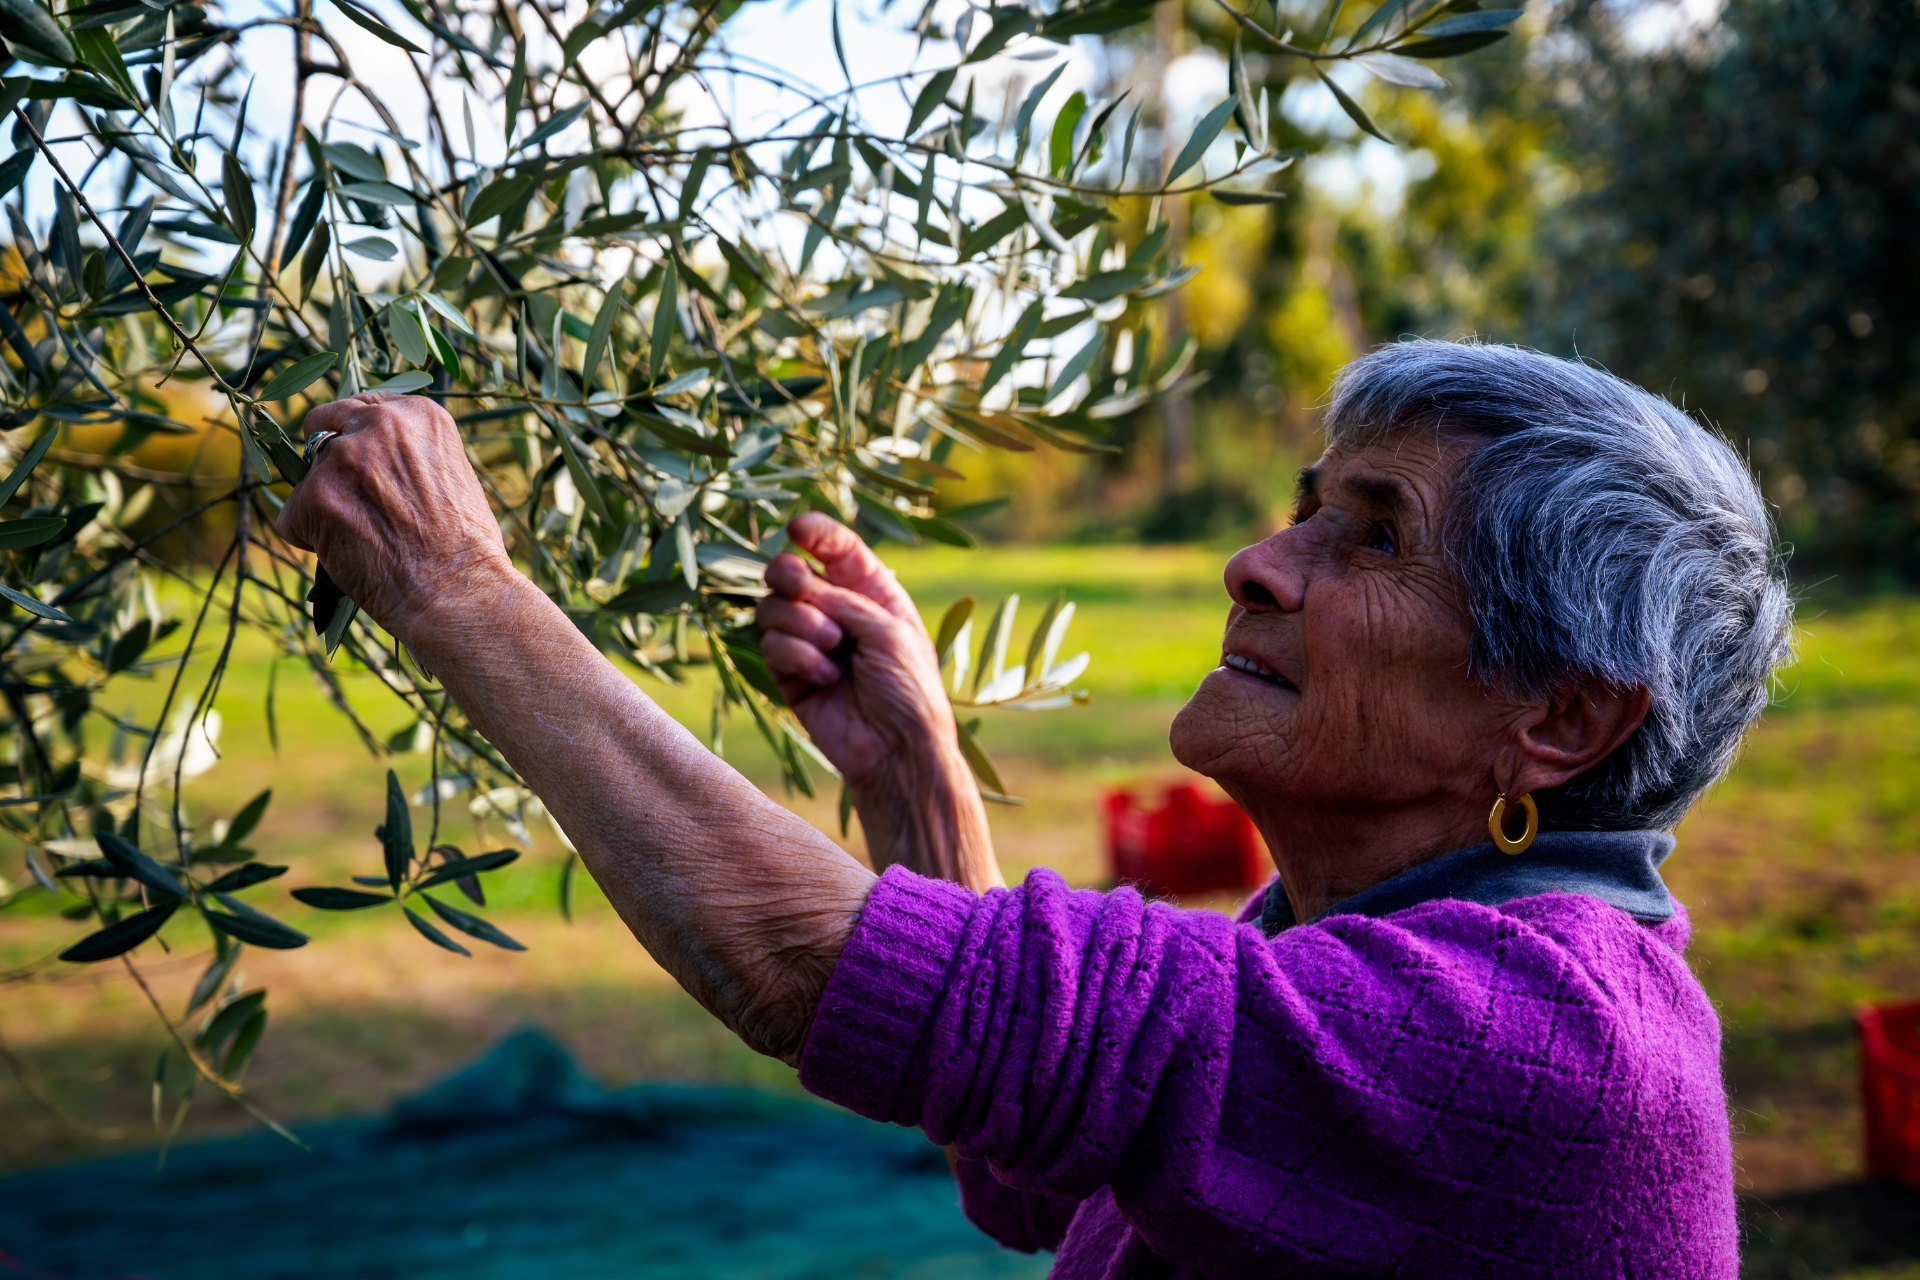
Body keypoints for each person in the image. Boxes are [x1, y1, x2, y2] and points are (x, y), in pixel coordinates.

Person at [279, 340, 1790, 1277]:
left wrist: (448, 580)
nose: (1258, 564)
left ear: (1560, 719)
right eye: (1308, 502)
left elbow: (795, 962)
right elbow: (1036, 1171)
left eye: (1376, 535)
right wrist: (915, 775)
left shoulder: (1527, 1046)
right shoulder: (1379, 942)